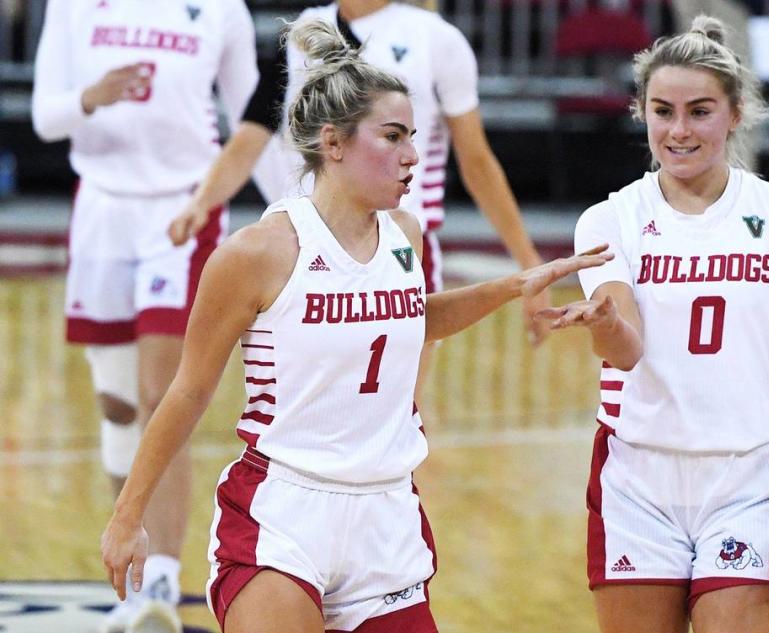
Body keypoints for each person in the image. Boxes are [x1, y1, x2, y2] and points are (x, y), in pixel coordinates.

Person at [100, 19, 612, 633]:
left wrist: (511, 286)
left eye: (414, 138)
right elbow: (186, 392)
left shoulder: (406, 236)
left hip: (386, 515)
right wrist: (129, 516)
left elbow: (415, 319)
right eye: (393, 137)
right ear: (333, 142)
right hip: (283, 514)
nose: (412, 157)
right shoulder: (256, 254)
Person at [539, 16, 769, 633]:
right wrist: (603, 322)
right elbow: (626, 349)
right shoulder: (609, 220)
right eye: (662, 110)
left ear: (736, 113)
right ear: (641, 112)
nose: (678, 130)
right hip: (635, 481)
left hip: (751, 478)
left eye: (699, 111)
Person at [167, 0, 551, 402]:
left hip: (400, 249)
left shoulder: (437, 39)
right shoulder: (301, 33)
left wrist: (528, 261)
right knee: (303, 408)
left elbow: (476, 161)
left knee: (395, 415)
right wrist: (202, 202)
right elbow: (250, 137)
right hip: (305, 250)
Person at [30, 1, 258, 631]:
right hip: (103, 208)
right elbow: (45, 118)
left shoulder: (221, 11)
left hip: (184, 212)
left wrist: (302, 207)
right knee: (118, 405)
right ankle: (130, 564)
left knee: (163, 394)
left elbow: (254, 122)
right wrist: (92, 97)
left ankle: (160, 576)